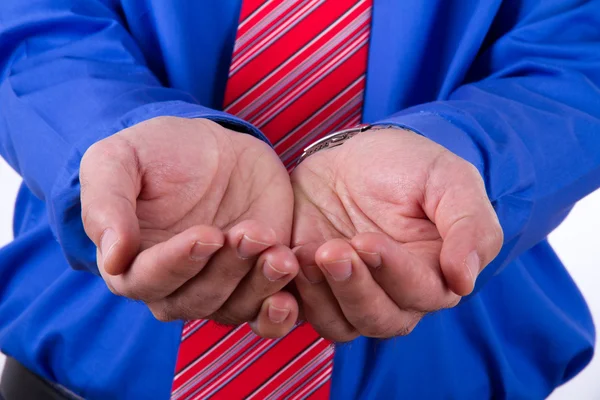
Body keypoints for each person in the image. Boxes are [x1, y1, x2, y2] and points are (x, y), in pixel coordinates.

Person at [0, 0, 598, 399]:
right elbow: (33, 21)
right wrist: (113, 136)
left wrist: (464, 157)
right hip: (77, 374)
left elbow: (580, 56)